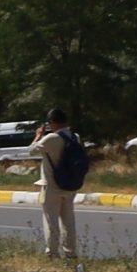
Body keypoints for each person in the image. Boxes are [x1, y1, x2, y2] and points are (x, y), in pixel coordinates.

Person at [30, 109, 84, 264]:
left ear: (52, 122)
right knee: (68, 221)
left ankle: (52, 253)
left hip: (52, 186)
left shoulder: (51, 138)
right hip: (70, 185)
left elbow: (32, 151)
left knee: (51, 221)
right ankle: (71, 253)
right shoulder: (75, 137)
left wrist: (38, 135)